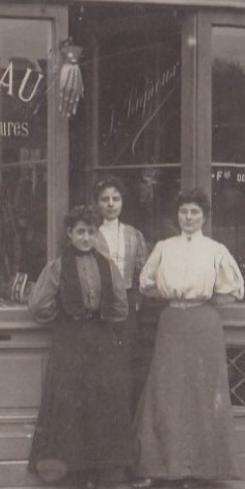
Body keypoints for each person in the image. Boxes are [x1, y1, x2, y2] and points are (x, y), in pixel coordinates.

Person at [130, 188, 245, 489]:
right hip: (171, 321)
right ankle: (159, 468)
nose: (189, 217)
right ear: (177, 216)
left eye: (195, 212)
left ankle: (196, 470)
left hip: (203, 323)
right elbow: (146, 284)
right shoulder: (165, 247)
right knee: (165, 391)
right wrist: (173, 296)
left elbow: (232, 290)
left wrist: (200, 299)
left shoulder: (215, 249)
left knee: (200, 391)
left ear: (204, 217)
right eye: (184, 212)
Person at [27, 205, 134, 489]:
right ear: (69, 234)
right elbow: (38, 306)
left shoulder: (107, 265)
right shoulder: (58, 266)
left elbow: (120, 307)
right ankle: (75, 468)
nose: (86, 238)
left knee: (101, 401)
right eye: (80, 232)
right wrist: (63, 317)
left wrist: (104, 322)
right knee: (71, 402)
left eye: (90, 232)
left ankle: (97, 469)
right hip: (70, 338)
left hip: (99, 338)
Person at [92, 176, 149, 412]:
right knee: (102, 366)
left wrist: (137, 299)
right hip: (99, 307)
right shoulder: (91, 235)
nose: (111, 204)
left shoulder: (133, 234)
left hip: (127, 307)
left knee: (125, 364)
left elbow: (143, 272)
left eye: (116, 199)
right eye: (105, 199)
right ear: (97, 204)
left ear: (123, 202)